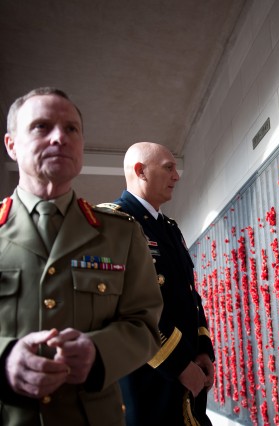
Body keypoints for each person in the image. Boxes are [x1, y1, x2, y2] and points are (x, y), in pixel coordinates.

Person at [0, 87, 163, 425]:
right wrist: (4, 360)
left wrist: (98, 352)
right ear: (11, 145)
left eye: (71, 128)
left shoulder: (121, 233)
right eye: (41, 127)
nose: (59, 137)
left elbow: (145, 325)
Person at [104, 142, 214, 426]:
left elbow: (191, 296)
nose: (177, 176)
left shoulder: (169, 228)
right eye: (168, 168)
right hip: (149, 379)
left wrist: (203, 349)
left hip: (190, 373)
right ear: (140, 171)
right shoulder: (113, 223)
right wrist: (178, 365)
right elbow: (121, 307)